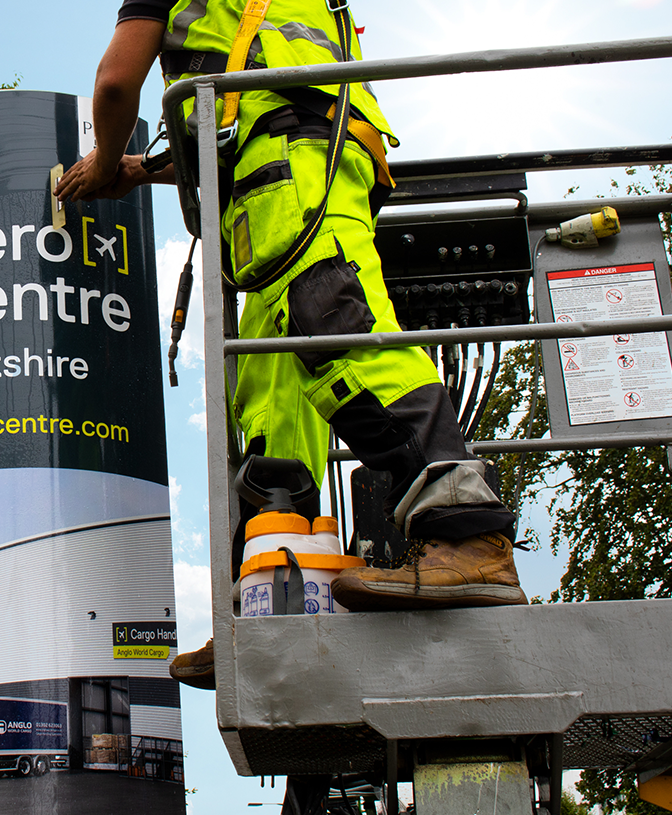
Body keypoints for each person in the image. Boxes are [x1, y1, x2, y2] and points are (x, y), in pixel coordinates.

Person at [55, 0, 527, 691]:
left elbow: (117, 84)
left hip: (290, 165)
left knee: (335, 324)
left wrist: (99, 163)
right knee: (272, 387)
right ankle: (274, 596)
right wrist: (143, 169)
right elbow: (243, 95)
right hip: (280, 162)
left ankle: (466, 532)